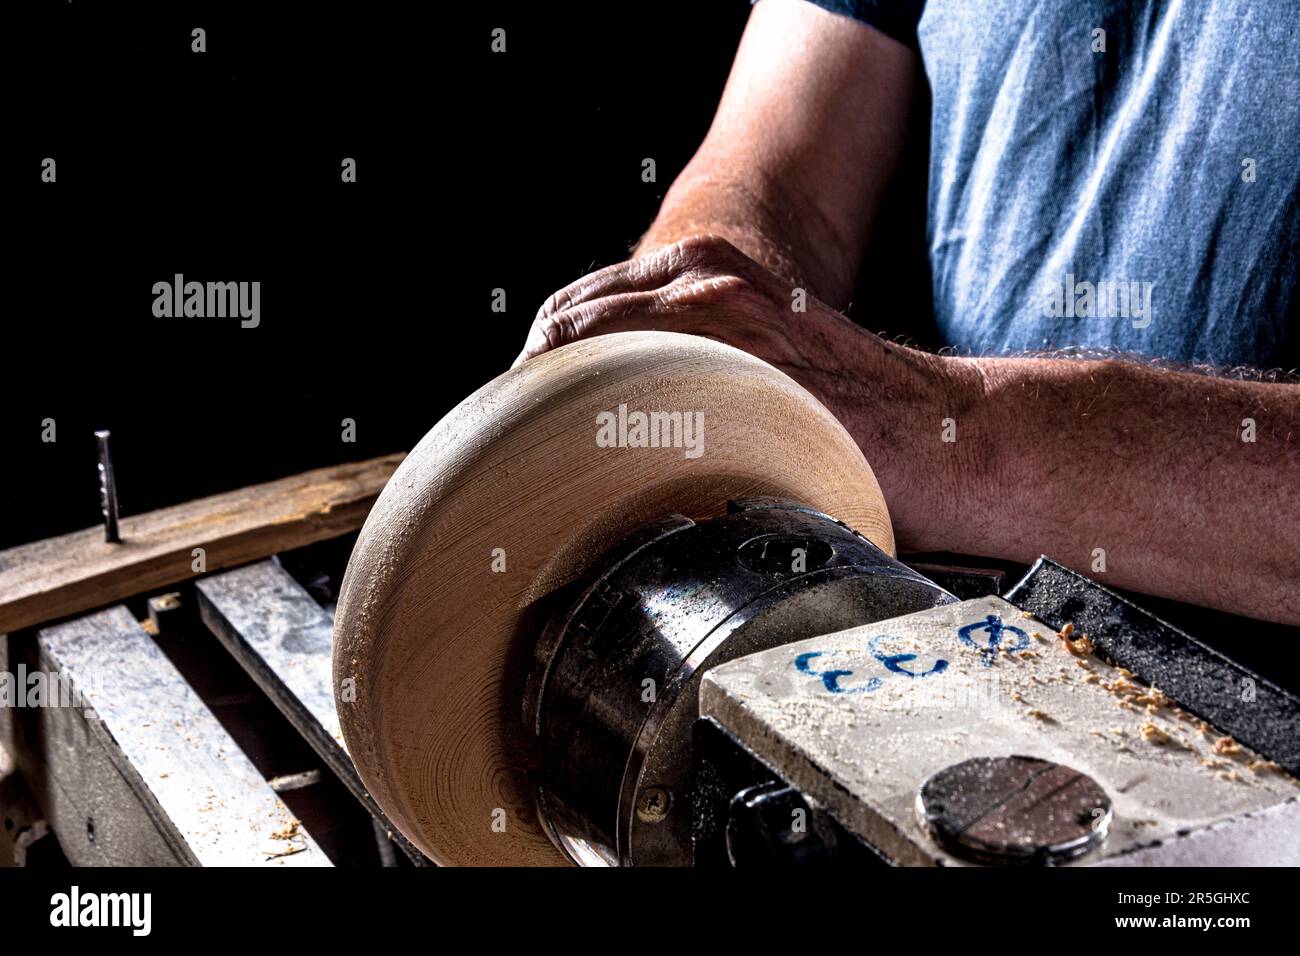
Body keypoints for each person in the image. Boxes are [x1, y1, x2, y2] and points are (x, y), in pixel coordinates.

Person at [515, 0, 1299, 625]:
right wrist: (705, 338)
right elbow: (778, 183)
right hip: (955, 630)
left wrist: (948, 438)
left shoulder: (942, 439)